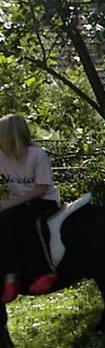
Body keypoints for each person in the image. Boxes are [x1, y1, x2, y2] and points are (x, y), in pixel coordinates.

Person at [0, 114, 61, 303]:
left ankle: (45, 272)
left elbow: (42, 188)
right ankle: (10, 279)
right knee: (3, 224)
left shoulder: (37, 155)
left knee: (28, 223)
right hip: (18, 201)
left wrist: (10, 203)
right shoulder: (1, 156)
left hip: (44, 199)